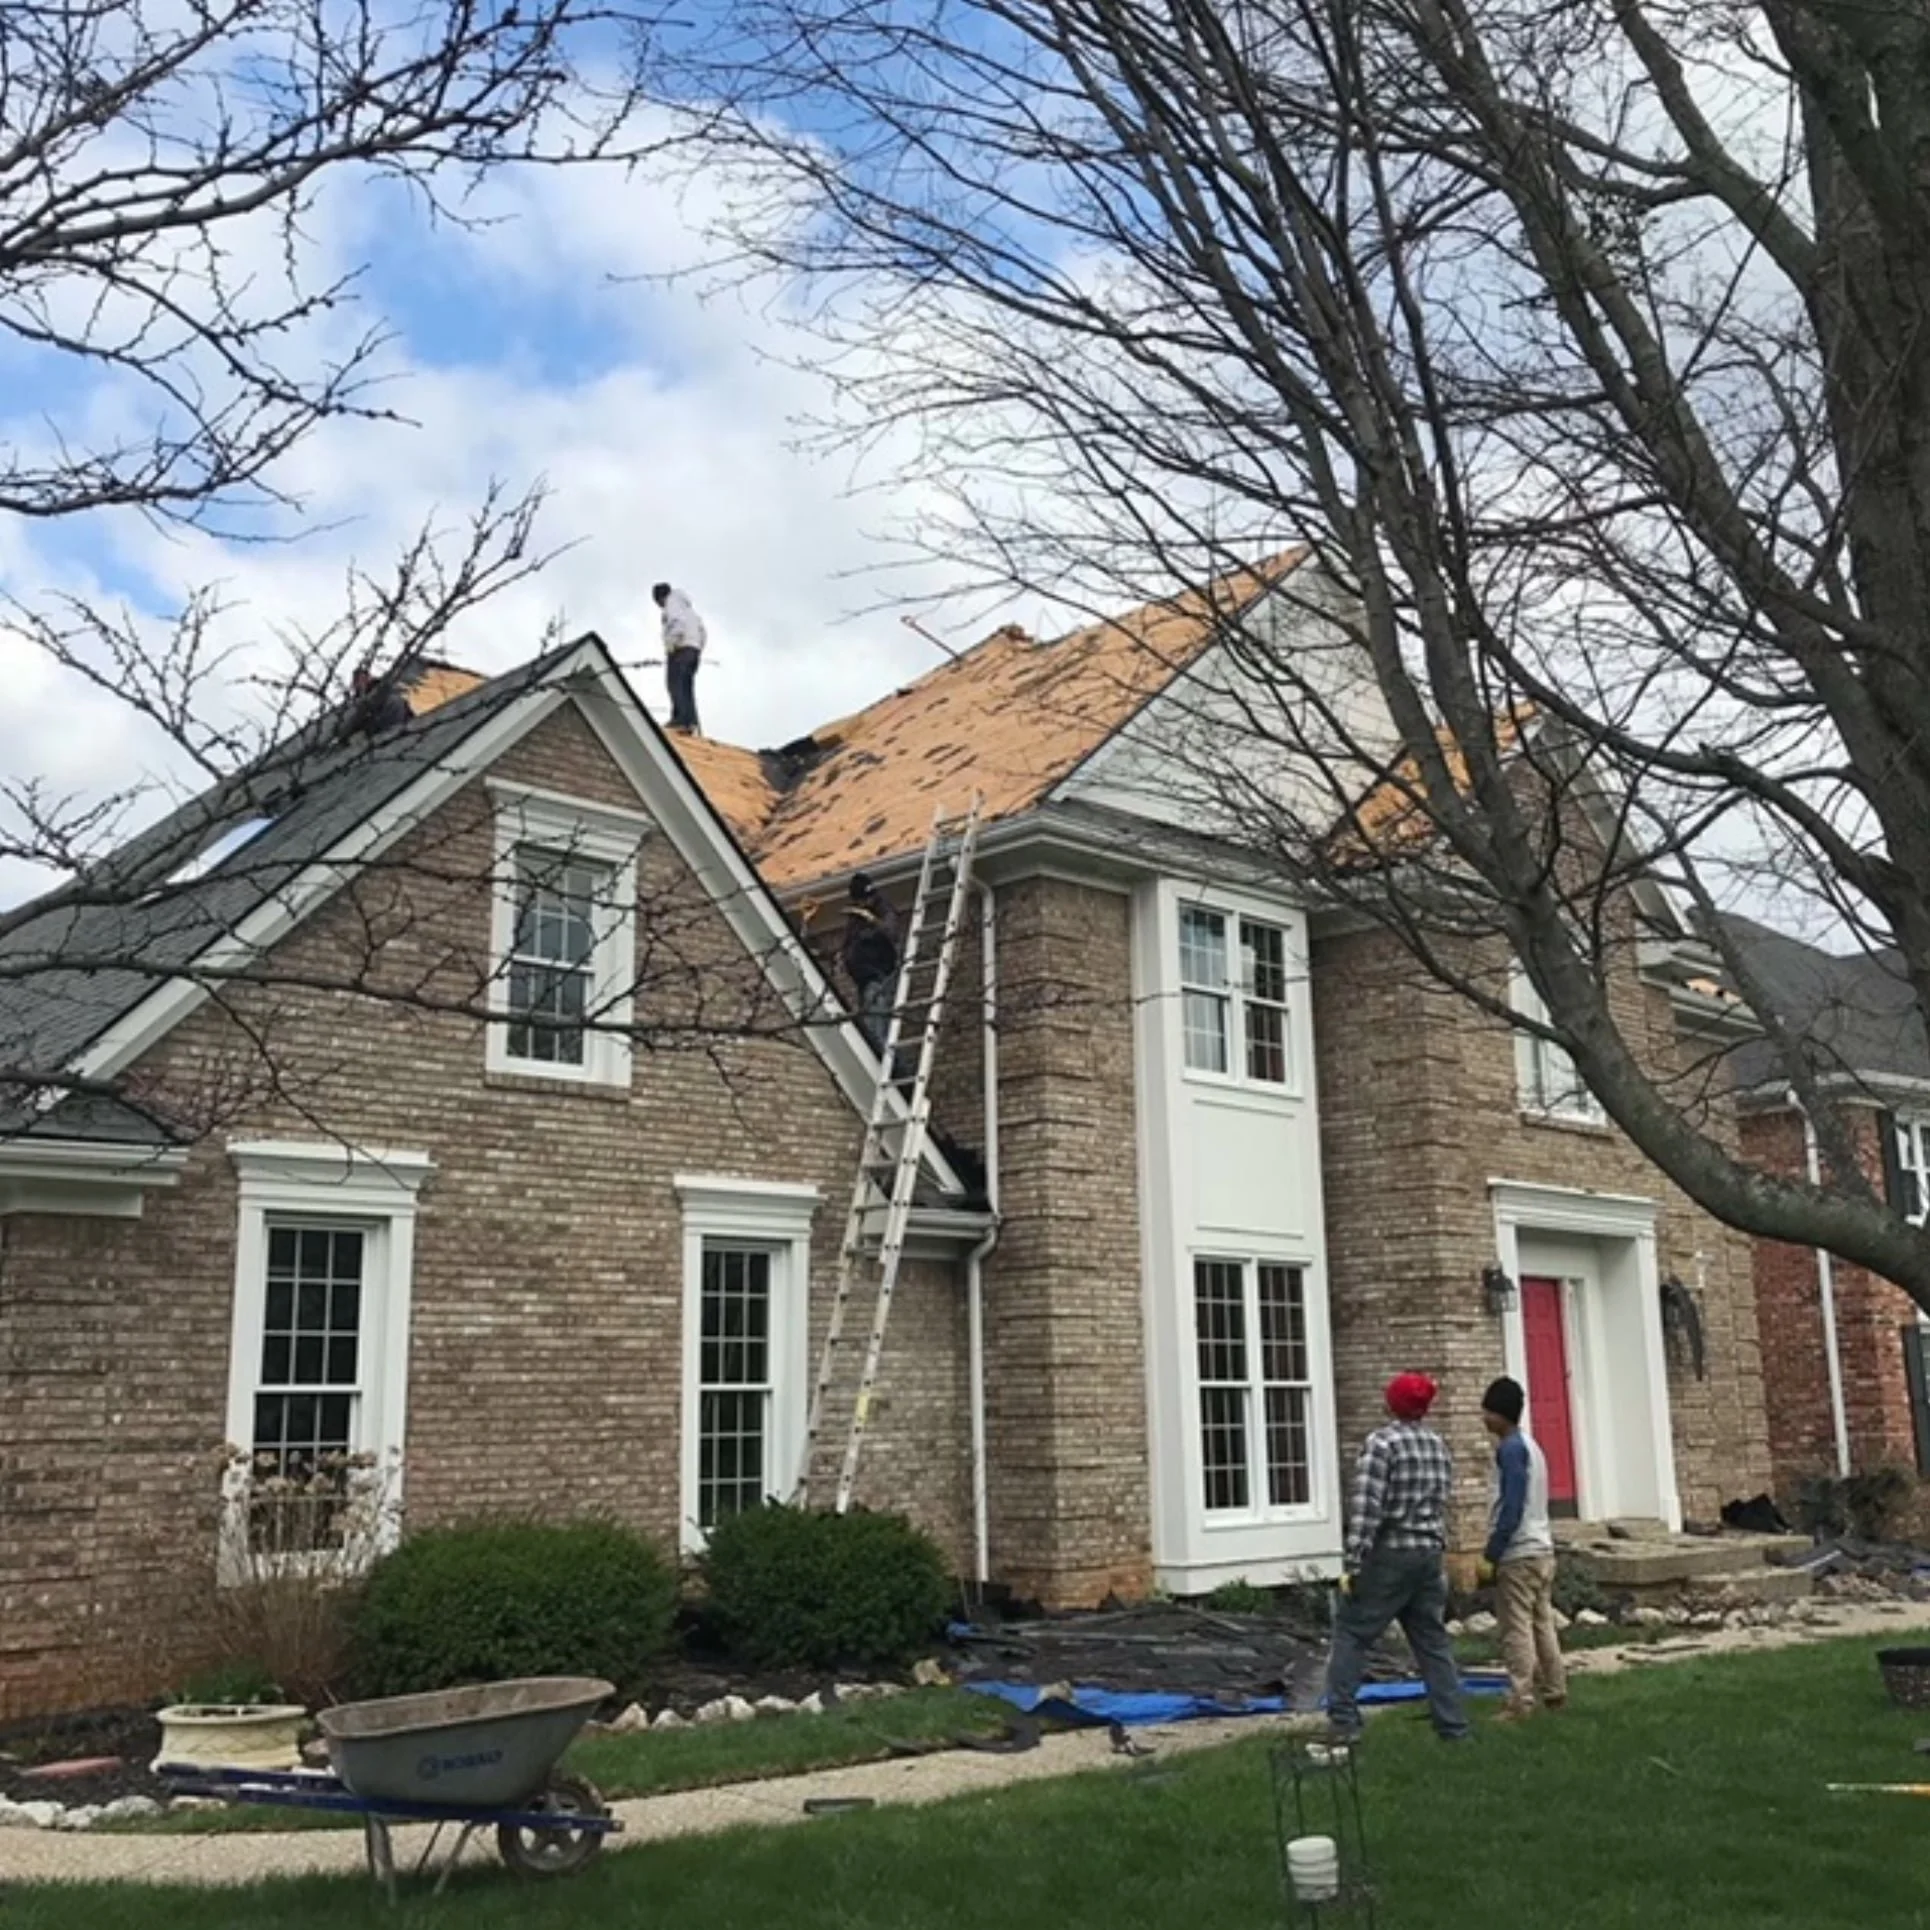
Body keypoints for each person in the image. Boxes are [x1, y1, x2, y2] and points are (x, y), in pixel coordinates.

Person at [1323, 1371, 1469, 1743]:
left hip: (1390, 1553)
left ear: (1391, 1404)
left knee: (1353, 1632)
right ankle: (1453, 1727)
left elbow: (1367, 1507)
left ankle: (1344, 1720)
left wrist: (1354, 1561)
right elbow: (1443, 1503)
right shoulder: (1438, 1446)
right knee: (1432, 1642)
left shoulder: (1382, 1444)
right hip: (1428, 1555)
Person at [1480, 1375, 1567, 1720]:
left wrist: (1492, 1552)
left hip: (1519, 1552)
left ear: (1500, 1414)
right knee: (1542, 1623)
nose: (1484, 1417)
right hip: (1542, 1549)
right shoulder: (1532, 1447)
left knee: (1516, 1629)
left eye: (1487, 1410)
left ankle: (1519, 1701)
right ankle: (1556, 1690)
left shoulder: (1511, 1450)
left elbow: (1511, 1506)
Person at [842, 873, 901, 1054]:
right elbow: (849, 943)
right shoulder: (856, 919)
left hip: (879, 977)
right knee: (869, 1030)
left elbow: (891, 933)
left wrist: (870, 919)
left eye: (864, 900)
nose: (861, 904)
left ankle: (893, 1070)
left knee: (876, 1032)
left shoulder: (883, 910)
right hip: (864, 979)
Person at [653, 581, 707, 732]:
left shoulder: (672, 603)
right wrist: (697, 648)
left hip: (680, 650)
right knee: (687, 687)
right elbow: (703, 632)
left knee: (674, 683)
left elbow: (678, 623)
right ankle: (691, 722)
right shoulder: (690, 610)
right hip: (693, 650)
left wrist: (671, 645)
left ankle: (680, 721)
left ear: (660, 598)